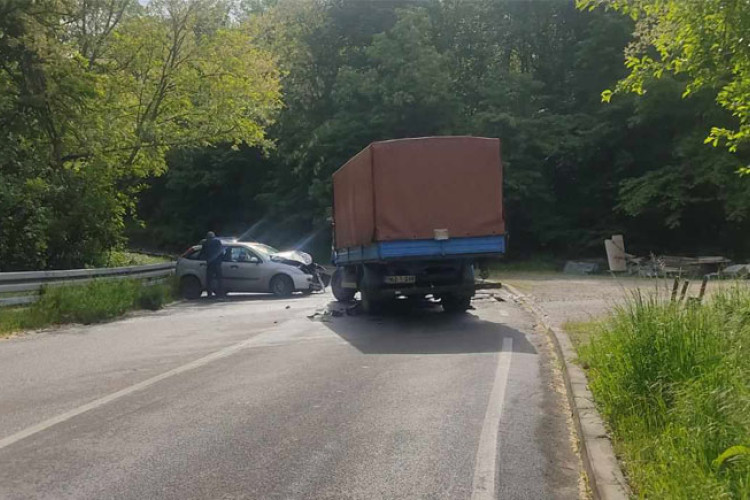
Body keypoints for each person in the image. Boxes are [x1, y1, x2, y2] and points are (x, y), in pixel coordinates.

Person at [201, 231, 224, 298]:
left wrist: (204, 259)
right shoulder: (217, 242)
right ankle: (220, 294)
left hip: (210, 263)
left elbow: (203, 252)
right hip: (217, 263)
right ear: (213, 236)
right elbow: (221, 252)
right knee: (219, 279)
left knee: (209, 280)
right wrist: (222, 259)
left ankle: (209, 294)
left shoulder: (205, 242)